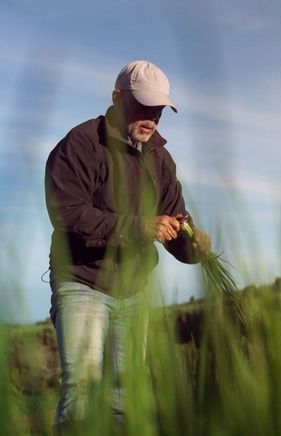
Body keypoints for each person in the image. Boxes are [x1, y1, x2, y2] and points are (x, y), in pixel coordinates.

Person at [44, 60, 211, 429]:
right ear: (117, 99)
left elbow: (174, 222)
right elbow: (67, 214)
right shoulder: (82, 143)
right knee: (82, 392)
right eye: (143, 106)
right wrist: (140, 228)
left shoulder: (161, 159)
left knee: (125, 398)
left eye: (158, 109)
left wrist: (194, 245)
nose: (152, 117)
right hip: (82, 282)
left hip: (134, 291)